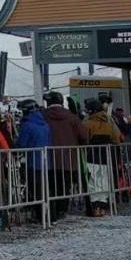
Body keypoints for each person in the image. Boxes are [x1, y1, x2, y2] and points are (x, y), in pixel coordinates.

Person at [42, 90, 88, 219]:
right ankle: (62, 209)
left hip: (48, 158)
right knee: (65, 184)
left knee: (50, 185)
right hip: (69, 158)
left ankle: (51, 209)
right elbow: (84, 136)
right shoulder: (72, 116)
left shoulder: (43, 116)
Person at [83, 96, 121, 216]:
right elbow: (117, 138)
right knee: (104, 180)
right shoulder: (110, 121)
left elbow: (84, 138)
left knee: (93, 181)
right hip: (107, 156)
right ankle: (103, 207)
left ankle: (95, 208)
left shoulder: (88, 122)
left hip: (91, 155)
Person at [14, 99, 50, 223]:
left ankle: (39, 216)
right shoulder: (44, 124)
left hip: (32, 162)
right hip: (46, 161)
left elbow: (22, 144)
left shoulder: (27, 125)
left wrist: (14, 147)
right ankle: (48, 215)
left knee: (35, 190)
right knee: (45, 189)